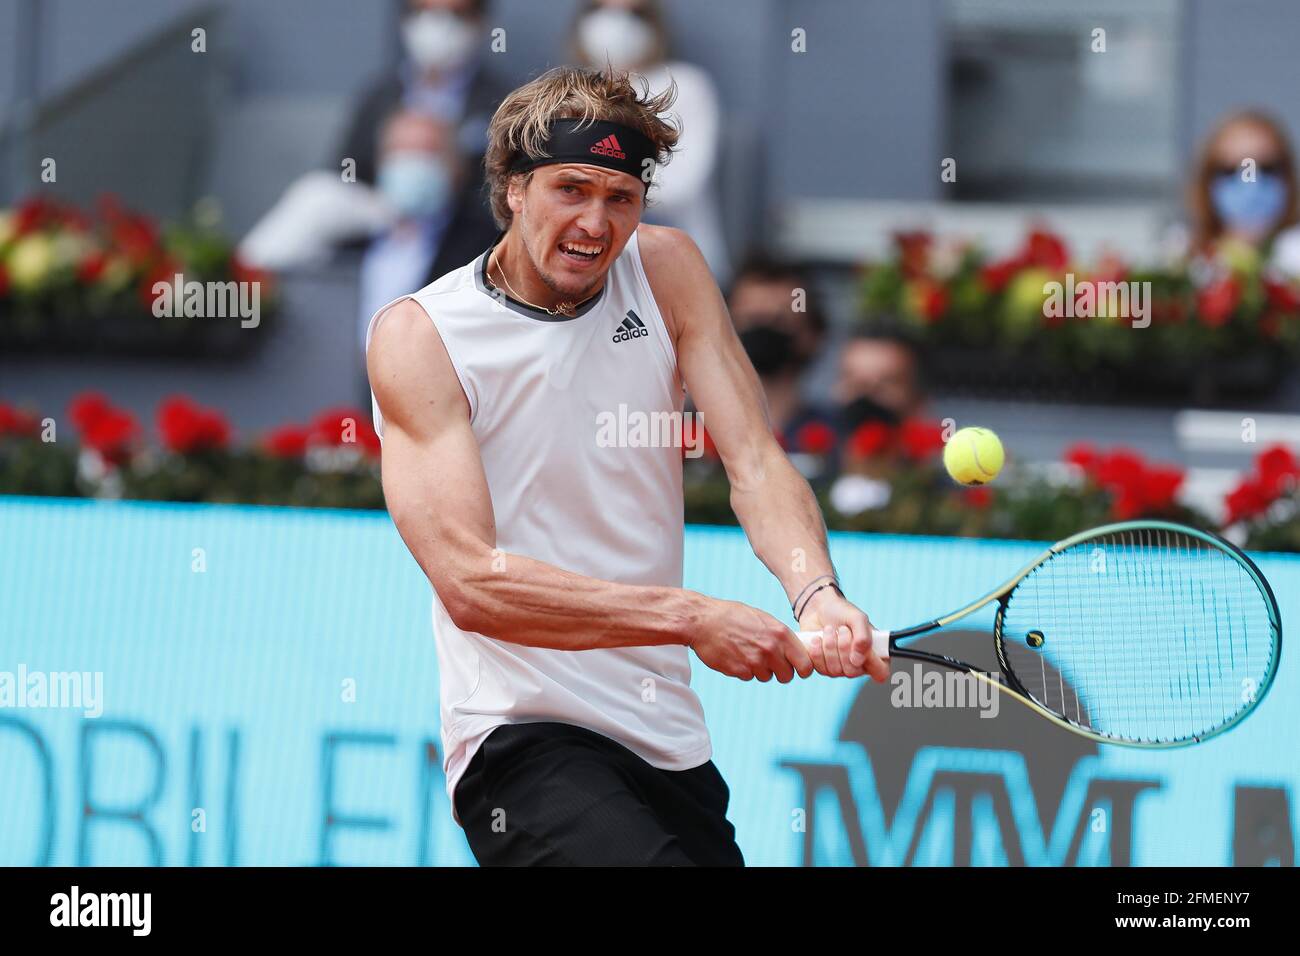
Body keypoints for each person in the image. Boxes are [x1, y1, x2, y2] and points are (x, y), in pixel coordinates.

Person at [364, 65, 888, 866]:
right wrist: (690, 616)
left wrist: (815, 590)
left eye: (621, 197)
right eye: (570, 189)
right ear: (512, 187)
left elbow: (753, 458)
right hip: (522, 741)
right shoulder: (421, 335)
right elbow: (472, 583)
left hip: (664, 739)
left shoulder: (668, 270)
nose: (595, 222)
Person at [571, 0, 730, 284]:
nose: (615, 26)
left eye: (633, 14)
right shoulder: (569, 87)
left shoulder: (687, 84)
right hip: (588, 258)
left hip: (676, 263)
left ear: (654, 24)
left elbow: (683, 185)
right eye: (602, 11)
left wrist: (600, 182)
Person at [356, 110, 498, 349]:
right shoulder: (350, 235)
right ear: (381, 162)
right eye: (401, 151)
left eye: (428, 152)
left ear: (457, 166)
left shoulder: (487, 245)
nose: (413, 163)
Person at [336, 0, 509, 188]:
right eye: (423, 12)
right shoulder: (377, 98)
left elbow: (511, 193)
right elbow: (344, 178)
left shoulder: (503, 105)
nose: (438, 26)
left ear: (481, 20)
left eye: (456, 15)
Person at [725, 253, 836, 453]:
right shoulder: (688, 431)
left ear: (812, 334)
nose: (763, 329)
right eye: (751, 318)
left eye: (779, 319)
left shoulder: (837, 435)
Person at [1184, 110, 1300, 273]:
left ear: (1288, 178)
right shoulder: (1180, 268)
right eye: (1230, 170)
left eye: (1266, 168)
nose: (1250, 184)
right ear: (1207, 180)